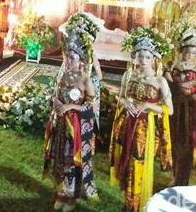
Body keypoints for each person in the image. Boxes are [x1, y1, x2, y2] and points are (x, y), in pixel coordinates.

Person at [109, 27, 173, 212]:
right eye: (140, 55)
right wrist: (125, 102)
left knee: (139, 163)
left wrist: (148, 106)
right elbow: (119, 97)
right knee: (127, 162)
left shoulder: (160, 81)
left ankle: (135, 205)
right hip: (127, 123)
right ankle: (128, 202)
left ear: (154, 58)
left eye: (147, 56)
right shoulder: (129, 75)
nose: (143, 60)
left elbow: (170, 110)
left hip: (146, 129)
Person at [43, 31, 98, 212]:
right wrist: (56, 102)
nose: (69, 61)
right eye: (67, 57)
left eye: (73, 58)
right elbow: (56, 96)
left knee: (71, 158)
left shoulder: (85, 79)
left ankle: (72, 197)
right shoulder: (63, 76)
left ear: (81, 60)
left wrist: (71, 108)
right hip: (60, 123)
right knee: (59, 156)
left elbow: (91, 105)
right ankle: (60, 194)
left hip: (75, 126)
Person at [165, 22, 196, 185]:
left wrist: (195, 89)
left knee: (187, 143)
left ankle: (183, 179)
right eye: (187, 51)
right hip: (176, 109)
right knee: (174, 142)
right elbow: (169, 86)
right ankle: (174, 176)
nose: (190, 55)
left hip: (191, 111)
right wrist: (181, 85)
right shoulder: (173, 66)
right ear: (182, 51)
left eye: (193, 52)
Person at [60, 12, 103, 129]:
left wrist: (91, 80)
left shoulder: (90, 54)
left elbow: (99, 76)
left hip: (86, 87)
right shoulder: (71, 53)